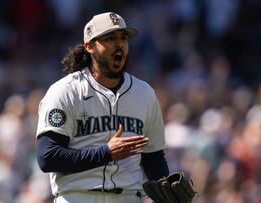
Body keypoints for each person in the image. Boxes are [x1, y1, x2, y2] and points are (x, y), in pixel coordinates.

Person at [36, 12, 169, 203]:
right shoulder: (65, 91)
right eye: (110, 38)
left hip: (128, 198)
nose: (119, 44)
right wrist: (105, 153)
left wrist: (166, 190)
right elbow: (47, 156)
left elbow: (153, 157)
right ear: (90, 46)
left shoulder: (144, 93)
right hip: (77, 197)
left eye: (123, 37)